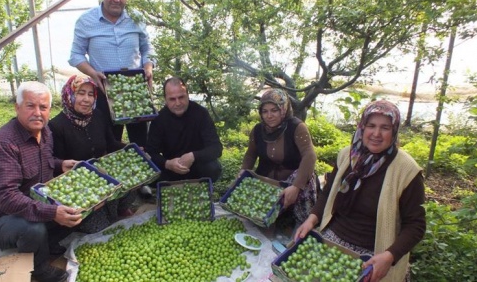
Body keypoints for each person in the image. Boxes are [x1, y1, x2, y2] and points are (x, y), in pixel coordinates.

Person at [294, 100, 426, 282]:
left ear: (394, 131)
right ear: (362, 127)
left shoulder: (406, 171)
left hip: (375, 253)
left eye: (385, 127)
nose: (376, 134)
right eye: (371, 125)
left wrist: (389, 256)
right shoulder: (348, 156)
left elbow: (416, 225)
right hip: (335, 238)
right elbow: (328, 192)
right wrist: (312, 218)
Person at [0, 81, 81, 282]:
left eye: (43, 107)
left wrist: (60, 164)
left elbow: (42, 161)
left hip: (33, 201)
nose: (37, 112)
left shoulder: (45, 131)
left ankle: (46, 244)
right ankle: (39, 269)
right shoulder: (4, 144)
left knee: (74, 212)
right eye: (30, 106)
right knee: (33, 228)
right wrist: (52, 212)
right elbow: (6, 198)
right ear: (17, 107)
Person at [68, 0, 156, 147]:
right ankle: (111, 174)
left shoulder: (136, 18)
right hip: (103, 89)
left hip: (134, 91)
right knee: (108, 142)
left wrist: (148, 66)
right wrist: (93, 73)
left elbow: (148, 48)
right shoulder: (86, 21)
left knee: (142, 143)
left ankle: (145, 171)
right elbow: (76, 54)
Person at [49, 75, 134, 232]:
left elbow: (111, 143)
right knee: (100, 228)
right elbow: (53, 162)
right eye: (81, 93)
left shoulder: (98, 116)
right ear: (70, 94)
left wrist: (129, 148)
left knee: (130, 182)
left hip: (103, 177)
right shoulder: (56, 125)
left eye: (90, 94)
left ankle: (116, 209)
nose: (86, 99)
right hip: (78, 185)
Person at [239, 88, 318, 229]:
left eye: (274, 110)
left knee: (306, 178)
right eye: (265, 111)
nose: (269, 115)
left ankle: (299, 222)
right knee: (256, 216)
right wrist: (243, 171)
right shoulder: (258, 130)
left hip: (291, 180)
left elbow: (309, 155)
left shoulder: (296, 127)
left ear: (283, 109)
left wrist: (296, 186)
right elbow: (251, 154)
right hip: (267, 179)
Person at [146, 77, 223, 183]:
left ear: (188, 95)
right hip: (171, 168)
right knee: (149, 171)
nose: (178, 103)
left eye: (181, 97)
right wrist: (167, 164)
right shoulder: (159, 119)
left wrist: (193, 156)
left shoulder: (201, 113)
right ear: (165, 99)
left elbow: (216, 148)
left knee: (213, 167)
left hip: (197, 167)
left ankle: (202, 186)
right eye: (172, 99)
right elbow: (150, 152)